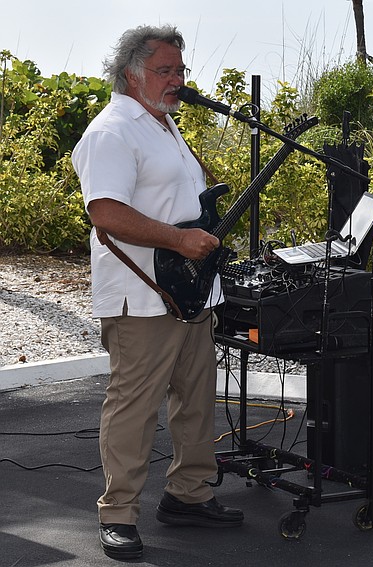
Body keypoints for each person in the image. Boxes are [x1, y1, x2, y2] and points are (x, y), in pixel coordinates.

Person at [71, 24, 242, 560]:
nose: (177, 81)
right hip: (142, 296)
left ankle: (188, 494)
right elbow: (107, 213)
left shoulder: (162, 124)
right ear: (132, 75)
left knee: (196, 400)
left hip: (190, 291)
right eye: (165, 71)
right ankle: (118, 514)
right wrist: (179, 239)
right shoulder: (111, 132)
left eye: (181, 70)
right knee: (135, 407)